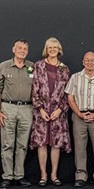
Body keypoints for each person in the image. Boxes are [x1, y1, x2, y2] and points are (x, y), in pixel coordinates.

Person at [29, 37, 71, 187]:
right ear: (46, 50)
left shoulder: (64, 69)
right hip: (41, 112)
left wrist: (60, 110)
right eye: (49, 47)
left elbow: (67, 94)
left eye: (55, 47)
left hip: (58, 112)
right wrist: (40, 109)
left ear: (59, 49)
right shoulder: (38, 66)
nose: (52, 50)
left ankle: (54, 175)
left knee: (55, 144)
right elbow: (34, 90)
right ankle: (43, 175)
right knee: (41, 143)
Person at [64, 51, 94, 187]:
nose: (90, 63)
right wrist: (79, 113)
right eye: (87, 60)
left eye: (92, 60)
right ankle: (80, 175)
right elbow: (70, 98)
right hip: (79, 117)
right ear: (83, 62)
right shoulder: (75, 77)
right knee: (79, 148)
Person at [0, 39, 33, 188]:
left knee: (22, 145)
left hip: (27, 109)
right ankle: (7, 176)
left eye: (25, 49)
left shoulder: (32, 67)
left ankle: (19, 175)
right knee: (7, 144)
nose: (22, 50)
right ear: (13, 49)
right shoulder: (4, 67)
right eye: (19, 48)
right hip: (8, 108)